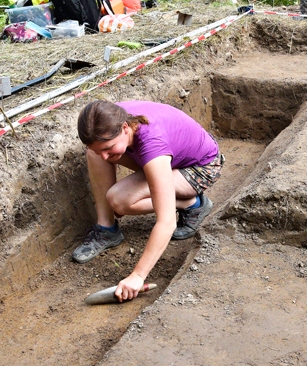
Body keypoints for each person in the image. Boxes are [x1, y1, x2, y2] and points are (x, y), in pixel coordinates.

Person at [72, 99, 223, 301]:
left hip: (200, 167)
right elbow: (102, 150)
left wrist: (137, 276)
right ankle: (106, 228)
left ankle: (192, 204)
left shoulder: (153, 145)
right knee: (94, 155)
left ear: (125, 128)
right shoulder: (108, 120)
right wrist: (101, 151)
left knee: (119, 200)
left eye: (109, 147)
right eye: (103, 149)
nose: (106, 157)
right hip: (171, 156)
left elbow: (166, 222)